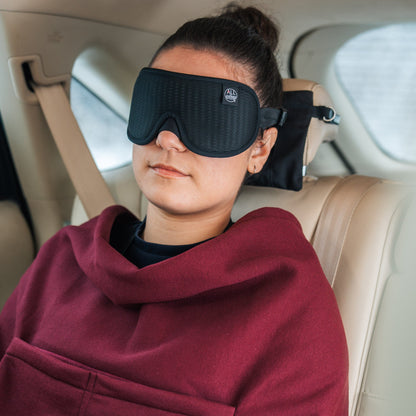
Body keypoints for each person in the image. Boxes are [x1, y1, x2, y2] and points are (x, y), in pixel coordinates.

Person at [0, 3, 348, 415]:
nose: (168, 138)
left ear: (260, 148)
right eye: (158, 105)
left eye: (210, 118)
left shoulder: (290, 317)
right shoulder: (61, 261)